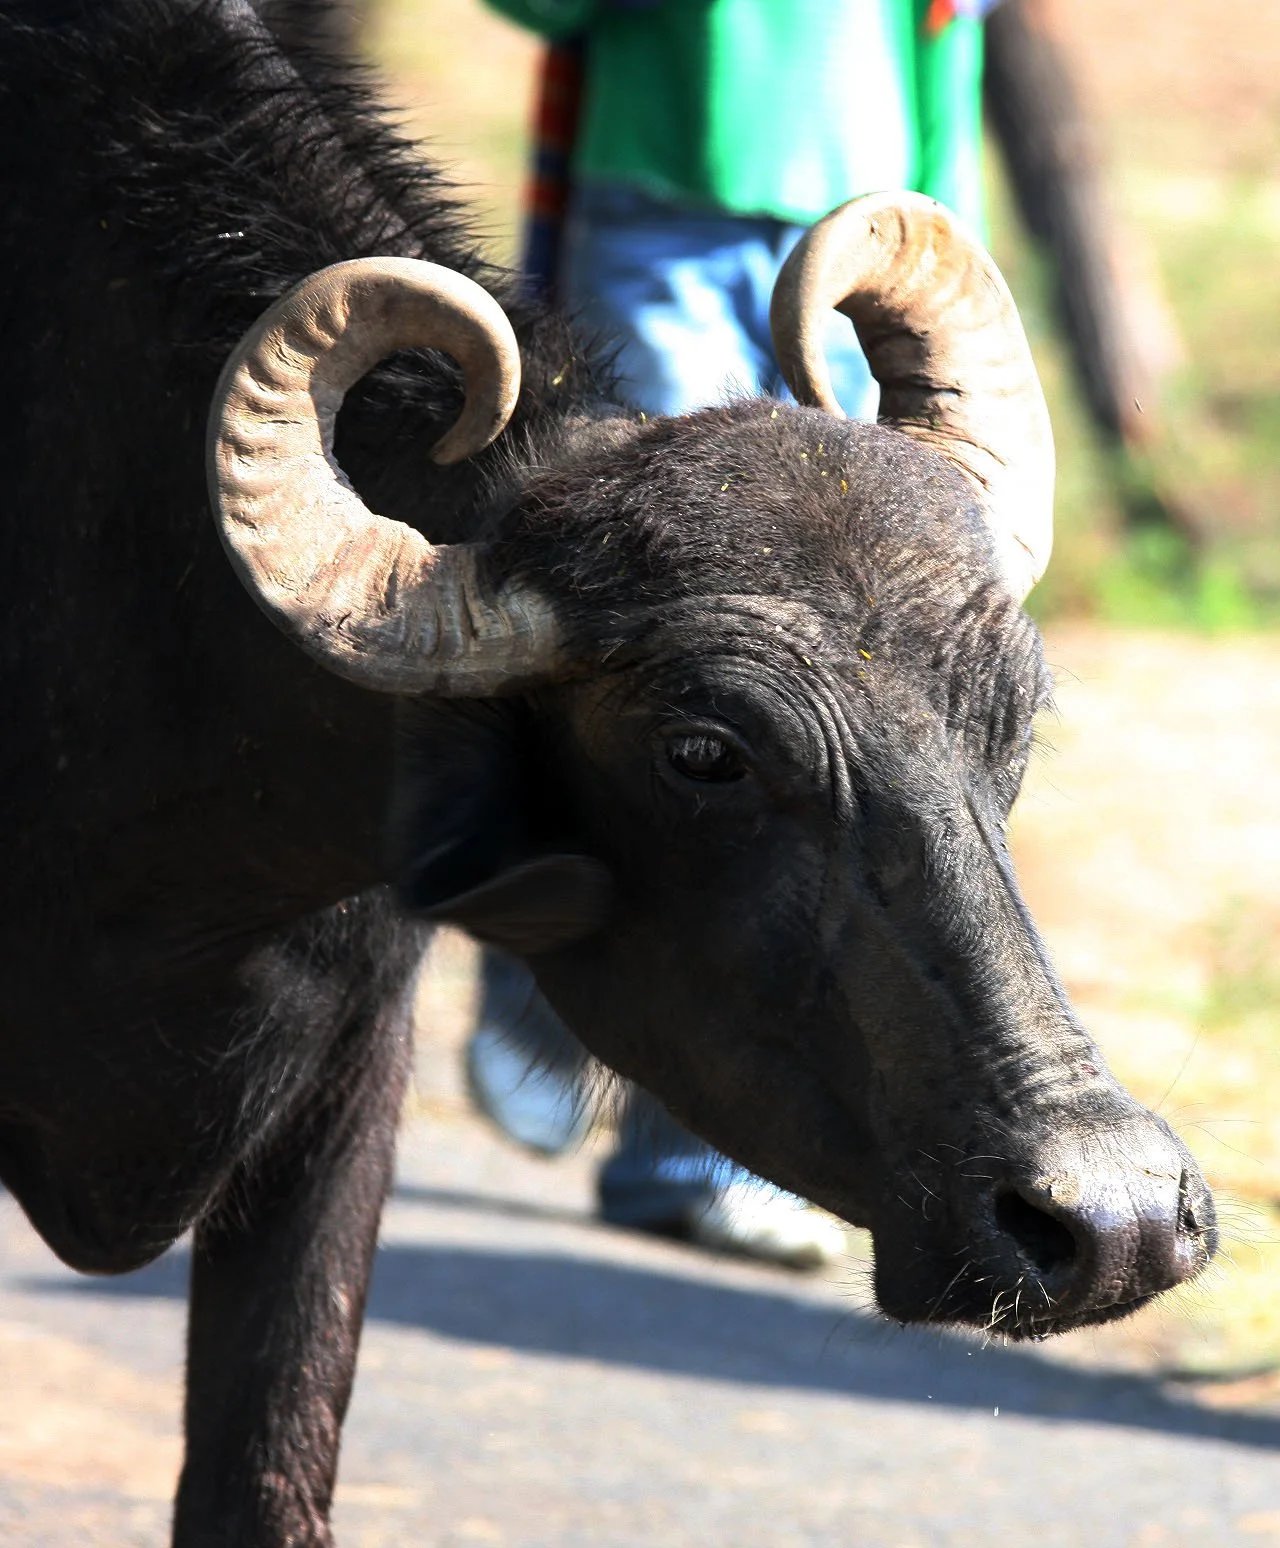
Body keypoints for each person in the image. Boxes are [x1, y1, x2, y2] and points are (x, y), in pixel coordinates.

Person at [468, 0, 995, 1267]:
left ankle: (693, 1152)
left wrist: (946, 247)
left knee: (791, 725)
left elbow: (948, 34)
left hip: (871, 238)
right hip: (656, 205)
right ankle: (534, 1000)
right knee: (636, 652)